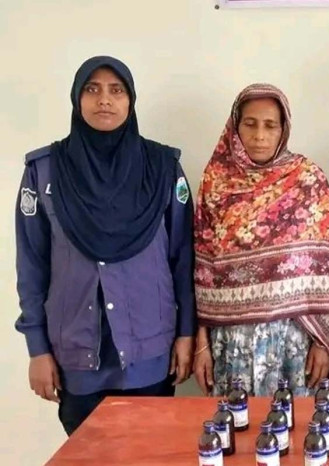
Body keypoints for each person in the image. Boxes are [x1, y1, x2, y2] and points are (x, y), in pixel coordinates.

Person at [15, 56, 196, 435]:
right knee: (88, 456)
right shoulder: (44, 171)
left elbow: (183, 258)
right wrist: (37, 349)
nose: (104, 100)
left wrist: (186, 333)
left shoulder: (162, 168)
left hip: (150, 351)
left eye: (116, 90)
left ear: (131, 100)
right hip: (76, 356)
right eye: (92, 89)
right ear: (76, 98)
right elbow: (31, 265)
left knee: (150, 455)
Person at [192, 83, 329, 397]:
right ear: (235, 127)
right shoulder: (215, 183)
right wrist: (201, 344)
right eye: (250, 124)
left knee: (296, 425)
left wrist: (324, 343)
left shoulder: (307, 180)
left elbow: (326, 270)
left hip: (295, 342)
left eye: (270, 125)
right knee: (236, 424)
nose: (259, 135)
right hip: (231, 344)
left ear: (284, 129)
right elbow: (201, 272)